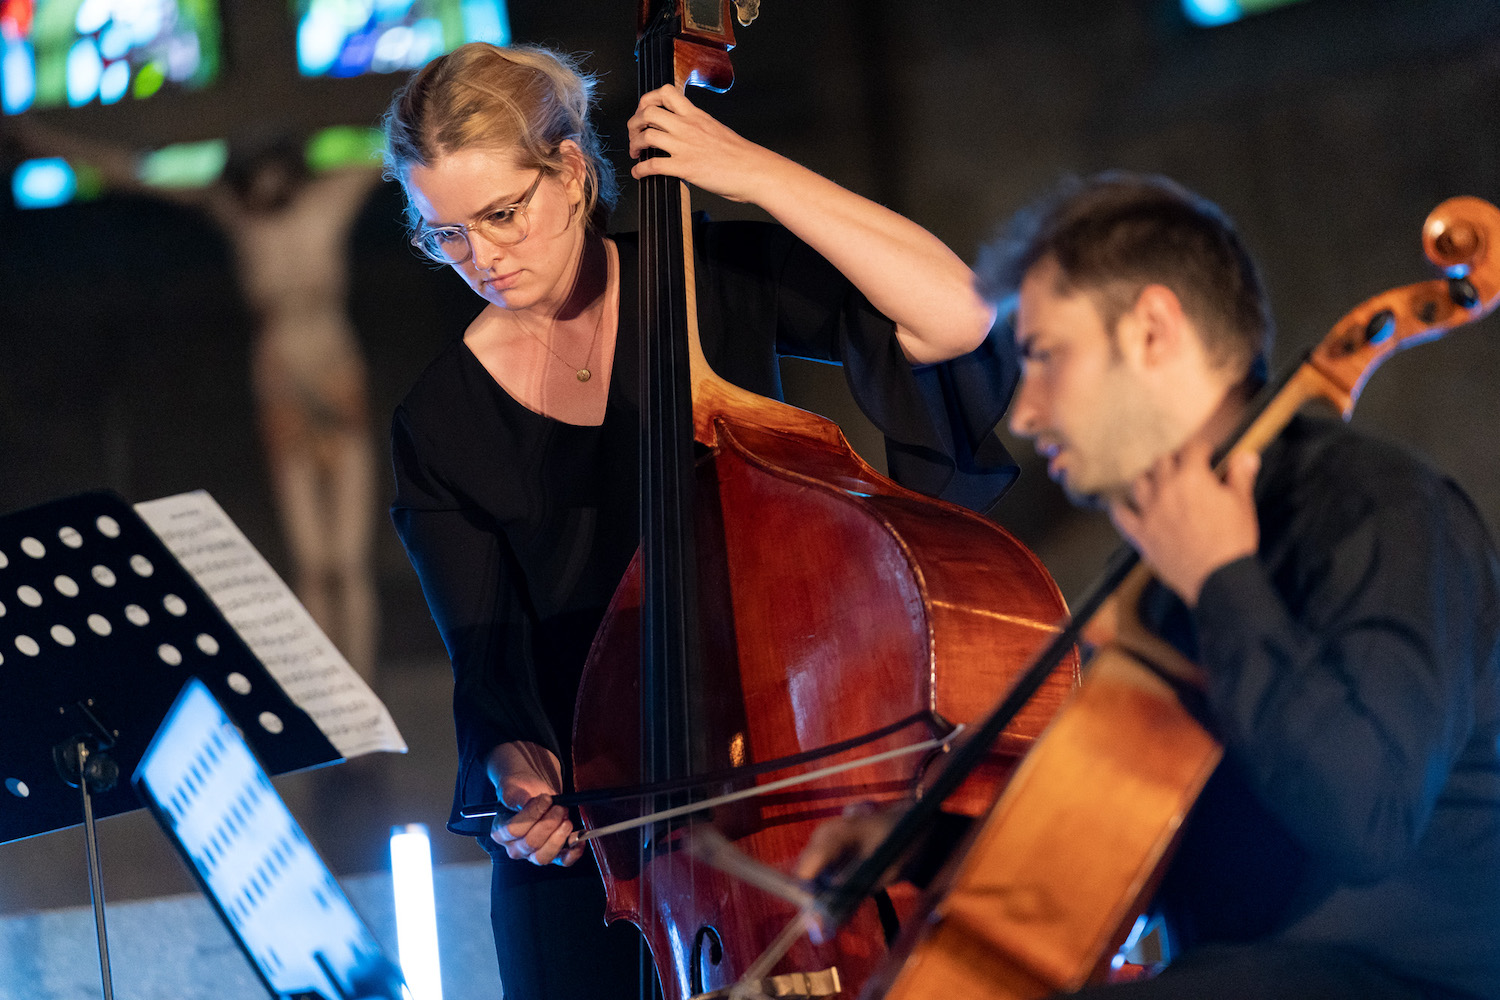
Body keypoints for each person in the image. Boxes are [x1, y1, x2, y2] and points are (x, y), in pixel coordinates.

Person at [382, 42, 1019, 998]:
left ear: (569, 170)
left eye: (501, 214)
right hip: (604, 866)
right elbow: (492, 669)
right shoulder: (439, 423)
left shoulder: (701, 281)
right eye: (447, 235)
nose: (483, 258)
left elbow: (960, 321)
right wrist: (519, 772)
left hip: (782, 814)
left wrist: (752, 174)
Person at [796, 173, 1500, 999]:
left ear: (1153, 330)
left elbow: (1366, 818)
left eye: (1045, 357)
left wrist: (1222, 580)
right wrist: (920, 844)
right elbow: (1138, 838)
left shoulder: (1378, 508)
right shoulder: (1167, 576)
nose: (1022, 413)